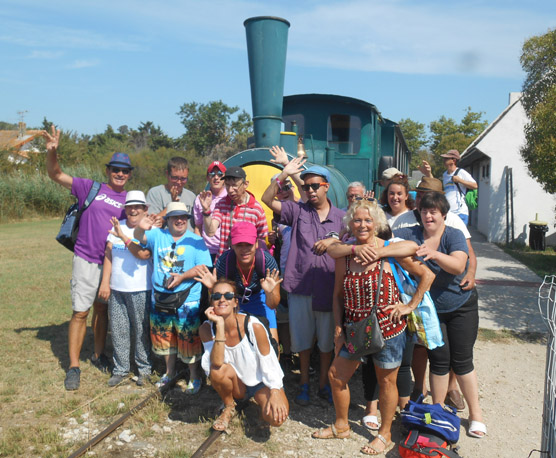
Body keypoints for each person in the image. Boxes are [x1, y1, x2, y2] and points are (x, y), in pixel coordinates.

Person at [312, 199, 434, 455]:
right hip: (355, 328)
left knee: (387, 381)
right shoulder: (345, 255)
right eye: (357, 220)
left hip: (389, 328)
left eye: (368, 220)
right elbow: (337, 296)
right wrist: (338, 327)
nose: (363, 225)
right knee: (337, 376)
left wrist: (409, 305)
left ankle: (385, 434)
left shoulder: (391, 249)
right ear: (350, 224)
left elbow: (427, 275)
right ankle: (342, 426)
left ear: (377, 223)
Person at [43, 125, 131, 391]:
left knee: (102, 309)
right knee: (80, 312)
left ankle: (97, 354)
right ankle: (73, 366)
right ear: (108, 171)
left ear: (129, 175)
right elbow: (55, 174)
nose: (119, 173)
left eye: (124, 170)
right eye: (115, 169)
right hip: (85, 258)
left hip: (111, 262)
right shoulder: (89, 187)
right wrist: (52, 152)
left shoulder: (131, 200)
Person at [395, 192, 486, 438]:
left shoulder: (453, 234)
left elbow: (458, 265)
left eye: (434, 211)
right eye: (424, 211)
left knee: (462, 360)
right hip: (433, 311)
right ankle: (437, 411)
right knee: (439, 360)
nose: (428, 215)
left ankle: (476, 416)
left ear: (444, 214)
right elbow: (385, 240)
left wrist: (434, 254)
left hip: (461, 305)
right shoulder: (411, 233)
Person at [262, 160, 345, 406]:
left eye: (315, 186)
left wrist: (333, 242)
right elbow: (267, 200)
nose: (310, 190)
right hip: (300, 288)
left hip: (328, 288)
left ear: (326, 187)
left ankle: (323, 384)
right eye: (306, 186)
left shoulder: (341, 218)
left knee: (326, 344)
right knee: (302, 342)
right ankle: (304, 385)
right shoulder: (297, 211)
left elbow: (352, 245)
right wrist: (283, 175)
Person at [134, 202, 212, 392]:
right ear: (167, 220)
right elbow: (139, 237)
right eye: (175, 217)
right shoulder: (157, 235)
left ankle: (194, 375)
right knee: (164, 337)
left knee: (189, 338)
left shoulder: (196, 240)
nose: (179, 220)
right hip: (160, 297)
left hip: (187, 299)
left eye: (183, 217)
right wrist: (139, 227)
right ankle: (169, 373)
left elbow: (204, 268)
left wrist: (182, 277)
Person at [199, 279, 289, 431]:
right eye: (216, 296)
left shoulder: (253, 325)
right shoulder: (206, 329)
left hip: (260, 380)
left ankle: (261, 405)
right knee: (217, 370)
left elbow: (269, 361)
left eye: (228, 295)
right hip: (236, 384)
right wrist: (219, 325)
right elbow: (215, 364)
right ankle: (229, 405)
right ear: (211, 302)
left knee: (276, 419)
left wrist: (275, 390)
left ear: (235, 302)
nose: (222, 299)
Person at [98, 191, 153, 387]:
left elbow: (143, 255)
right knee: (119, 329)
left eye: (138, 206)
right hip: (118, 288)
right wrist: (106, 282)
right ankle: (120, 369)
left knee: (140, 330)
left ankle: (144, 368)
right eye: (130, 207)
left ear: (145, 209)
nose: (133, 210)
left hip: (140, 287)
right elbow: (109, 255)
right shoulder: (117, 226)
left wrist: (123, 237)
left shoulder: (149, 229)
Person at [195, 222, 282, 343]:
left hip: (261, 297)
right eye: (239, 245)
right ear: (231, 244)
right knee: (234, 341)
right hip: (235, 300)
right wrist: (212, 289)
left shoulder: (267, 262)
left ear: (256, 243)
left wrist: (270, 292)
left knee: (272, 344)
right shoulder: (224, 263)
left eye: (249, 245)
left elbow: (273, 304)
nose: (244, 250)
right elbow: (220, 301)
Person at [199, 166, 269, 258]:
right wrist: (206, 210)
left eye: (234, 185)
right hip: (224, 262)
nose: (230, 190)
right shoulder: (222, 204)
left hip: (247, 264)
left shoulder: (256, 209)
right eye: (227, 185)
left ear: (245, 184)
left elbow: (261, 241)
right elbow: (210, 232)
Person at [421, 150, 477, 225]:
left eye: (446, 158)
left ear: (453, 160)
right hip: (448, 212)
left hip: (460, 212)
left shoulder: (461, 172)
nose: (444, 160)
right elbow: (439, 188)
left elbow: (475, 185)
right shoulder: (445, 174)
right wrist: (429, 174)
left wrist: (460, 180)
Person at [146, 157, 196, 231]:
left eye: (183, 179)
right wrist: (172, 205)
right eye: (175, 178)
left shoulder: (192, 196)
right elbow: (153, 224)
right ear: (167, 174)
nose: (179, 182)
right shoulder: (155, 193)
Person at [193, 161, 228, 262]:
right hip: (206, 251)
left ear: (225, 177)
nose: (216, 177)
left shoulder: (230, 196)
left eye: (220, 174)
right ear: (207, 178)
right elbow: (198, 227)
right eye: (212, 174)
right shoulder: (200, 198)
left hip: (226, 251)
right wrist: (198, 251)